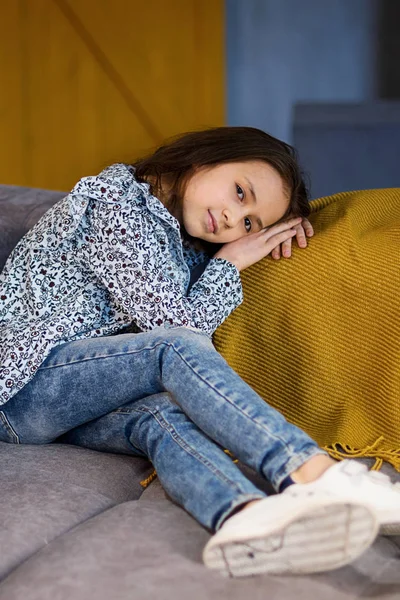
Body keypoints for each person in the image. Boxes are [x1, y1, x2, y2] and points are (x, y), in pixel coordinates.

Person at [0, 127, 399, 579]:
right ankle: (313, 473)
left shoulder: (184, 245)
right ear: (204, 158)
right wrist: (230, 261)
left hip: (66, 404)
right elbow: (171, 326)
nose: (234, 218)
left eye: (250, 223)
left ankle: (244, 522)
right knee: (173, 346)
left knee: (160, 416)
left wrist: (277, 232)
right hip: (23, 382)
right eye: (240, 192)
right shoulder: (115, 202)